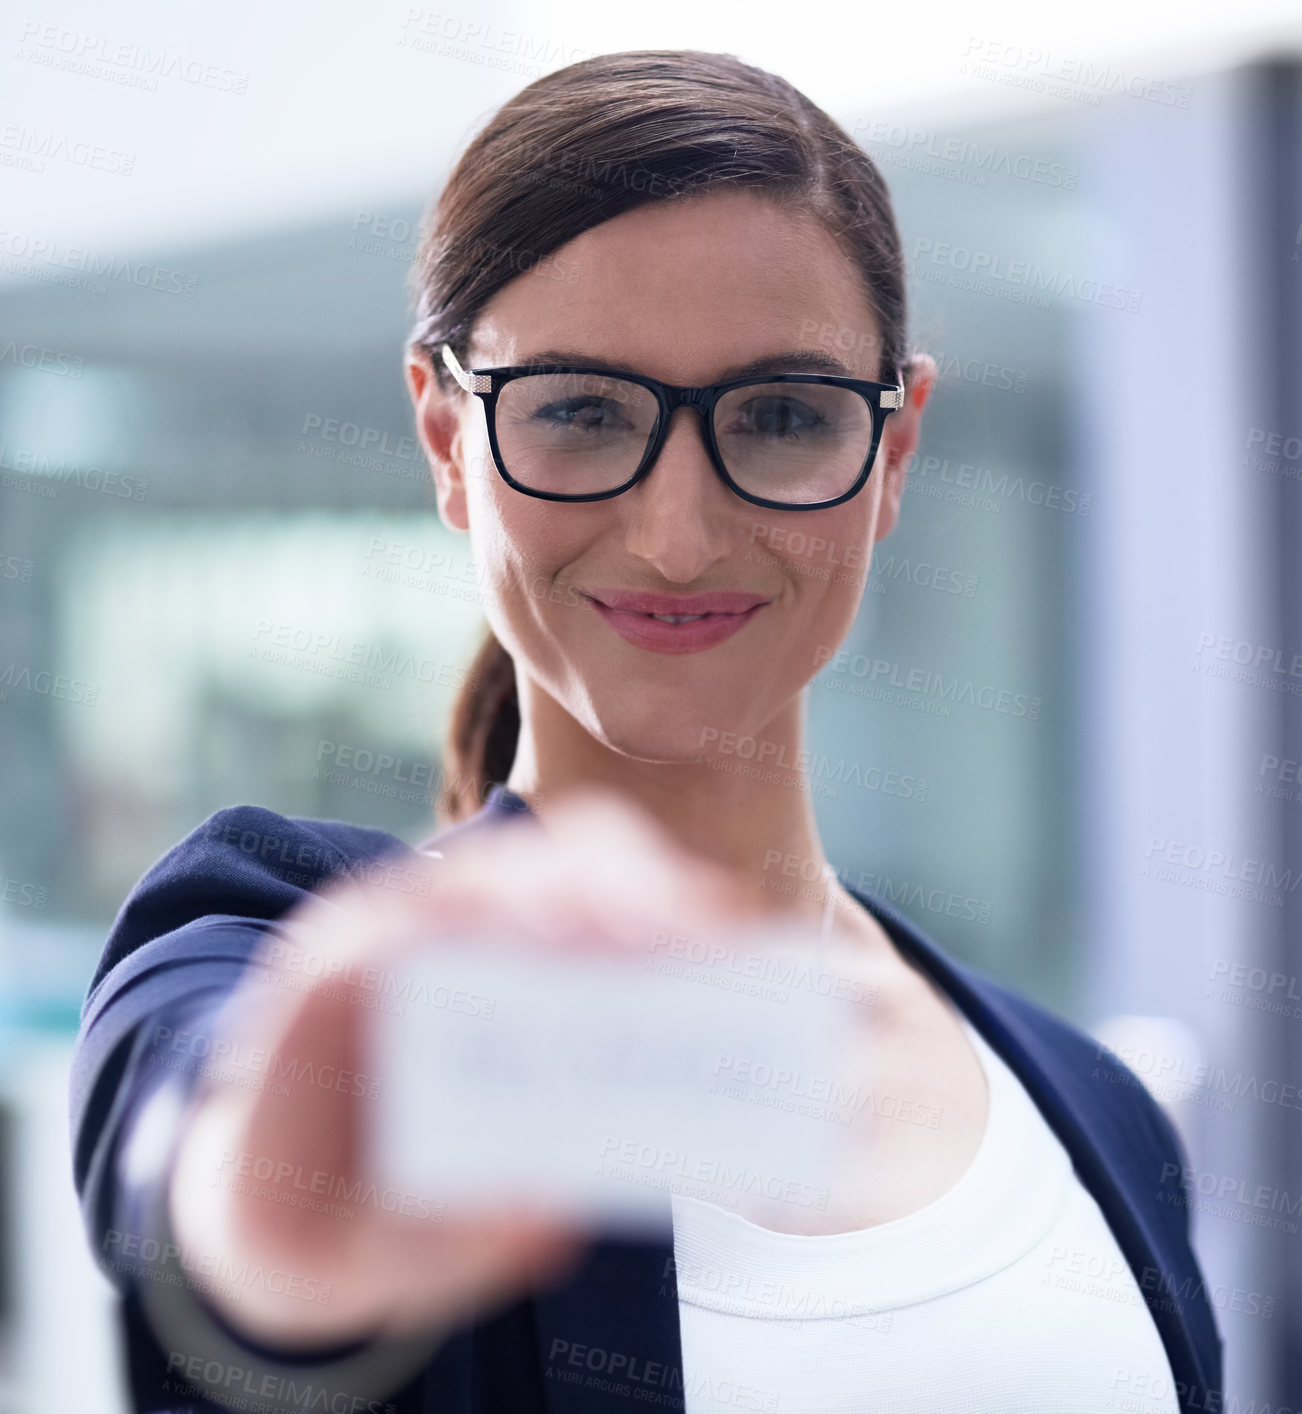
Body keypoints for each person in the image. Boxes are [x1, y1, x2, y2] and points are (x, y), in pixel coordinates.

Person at [69, 49, 1224, 1414]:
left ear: (893, 451)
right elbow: (193, 1144)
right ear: (447, 440)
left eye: (782, 414)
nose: (677, 535)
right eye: (579, 411)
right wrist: (266, 1231)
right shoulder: (287, 944)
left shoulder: (1094, 1113)